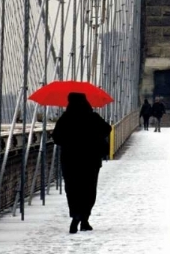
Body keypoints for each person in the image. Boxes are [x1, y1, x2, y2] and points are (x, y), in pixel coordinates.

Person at [52, 92, 111, 234]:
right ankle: (84, 219)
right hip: (91, 160)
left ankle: (75, 214)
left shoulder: (65, 118)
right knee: (89, 189)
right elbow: (107, 129)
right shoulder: (93, 117)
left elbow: (56, 138)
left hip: (70, 160)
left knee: (72, 189)